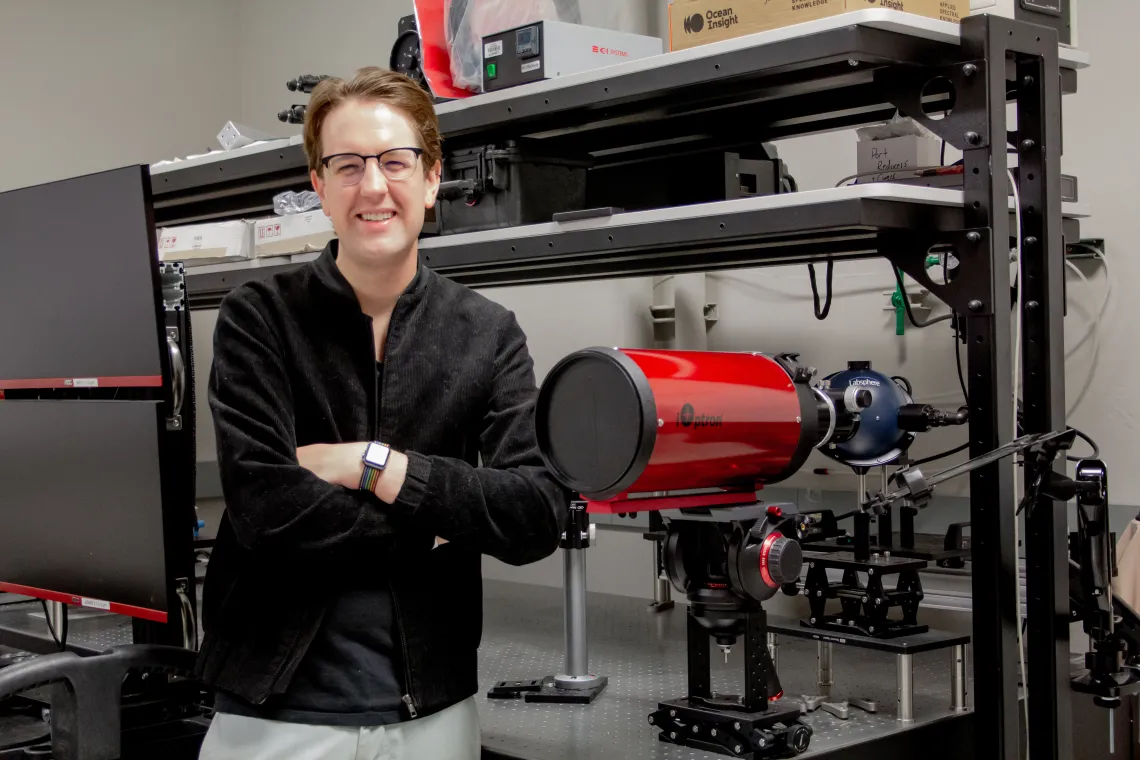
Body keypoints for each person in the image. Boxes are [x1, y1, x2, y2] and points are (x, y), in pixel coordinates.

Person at [194, 66, 569, 760]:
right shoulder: (259, 319)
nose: (373, 186)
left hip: (430, 717)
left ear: (431, 177)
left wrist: (379, 466)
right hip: (273, 717)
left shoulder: (486, 333)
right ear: (319, 186)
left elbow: (535, 513)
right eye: (347, 165)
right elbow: (266, 510)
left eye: (395, 162)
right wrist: (435, 531)